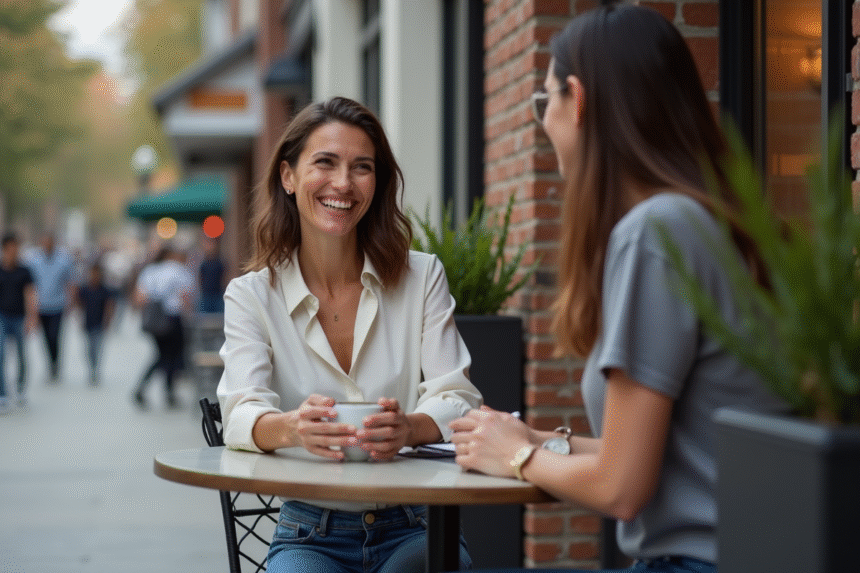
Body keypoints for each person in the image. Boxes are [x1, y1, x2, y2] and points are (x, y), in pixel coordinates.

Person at [448, 5, 787, 573]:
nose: (545, 123)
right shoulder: (708, 223)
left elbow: (622, 488)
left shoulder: (656, 234)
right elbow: (660, 458)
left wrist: (518, 456)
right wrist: (536, 440)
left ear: (576, 101)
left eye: (544, 102)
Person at [216, 96, 482, 573]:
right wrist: (291, 426)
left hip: (415, 522)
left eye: (362, 167)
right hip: (308, 531)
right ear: (288, 175)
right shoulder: (251, 295)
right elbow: (240, 412)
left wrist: (410, 429)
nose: (343, 183)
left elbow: (458, 396)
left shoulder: (422, 278)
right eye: (325, 162)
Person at [133, 244, 194, 409]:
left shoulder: (150, 271)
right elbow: (185, 297)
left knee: (161, 355)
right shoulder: (179, 271)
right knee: (170, 356)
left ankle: (151, 390)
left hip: (155, 320)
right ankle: (166, 393)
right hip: (173, 318)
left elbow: (140, 298)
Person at [27, 232, 75, 382]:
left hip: (58, 305)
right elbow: (30, 286)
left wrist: (70, 302)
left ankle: (55, 362)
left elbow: (70, 282)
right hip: (41, 306)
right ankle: (51, 363)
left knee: (55, 336)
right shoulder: (34, 261)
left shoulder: (64, 260)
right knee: (46, 337)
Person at [0, 233, 38, 412]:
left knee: (22, 354)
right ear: (5, 249)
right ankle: (3, 393)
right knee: (1, 355)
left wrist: (32, 318)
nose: (15, 251)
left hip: (19, 317)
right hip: (2, 316)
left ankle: (21, 388)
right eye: (12, 247)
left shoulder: (24, 270)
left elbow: (31, 294)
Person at [75, 261, 116, 386]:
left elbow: (109, 305)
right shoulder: (85, 289)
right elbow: (79, 304)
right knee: (89, 349)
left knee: (97, 348)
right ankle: (92, 368)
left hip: (100, 324)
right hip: (88, 322)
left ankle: (95, 369)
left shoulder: (104, 289)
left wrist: (108, 320)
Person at [197, 236, 225, 313]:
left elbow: (225, 277)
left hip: (218, 294)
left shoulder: (220, 263)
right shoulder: (204, 264)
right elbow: (200, 278)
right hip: (206, 294)